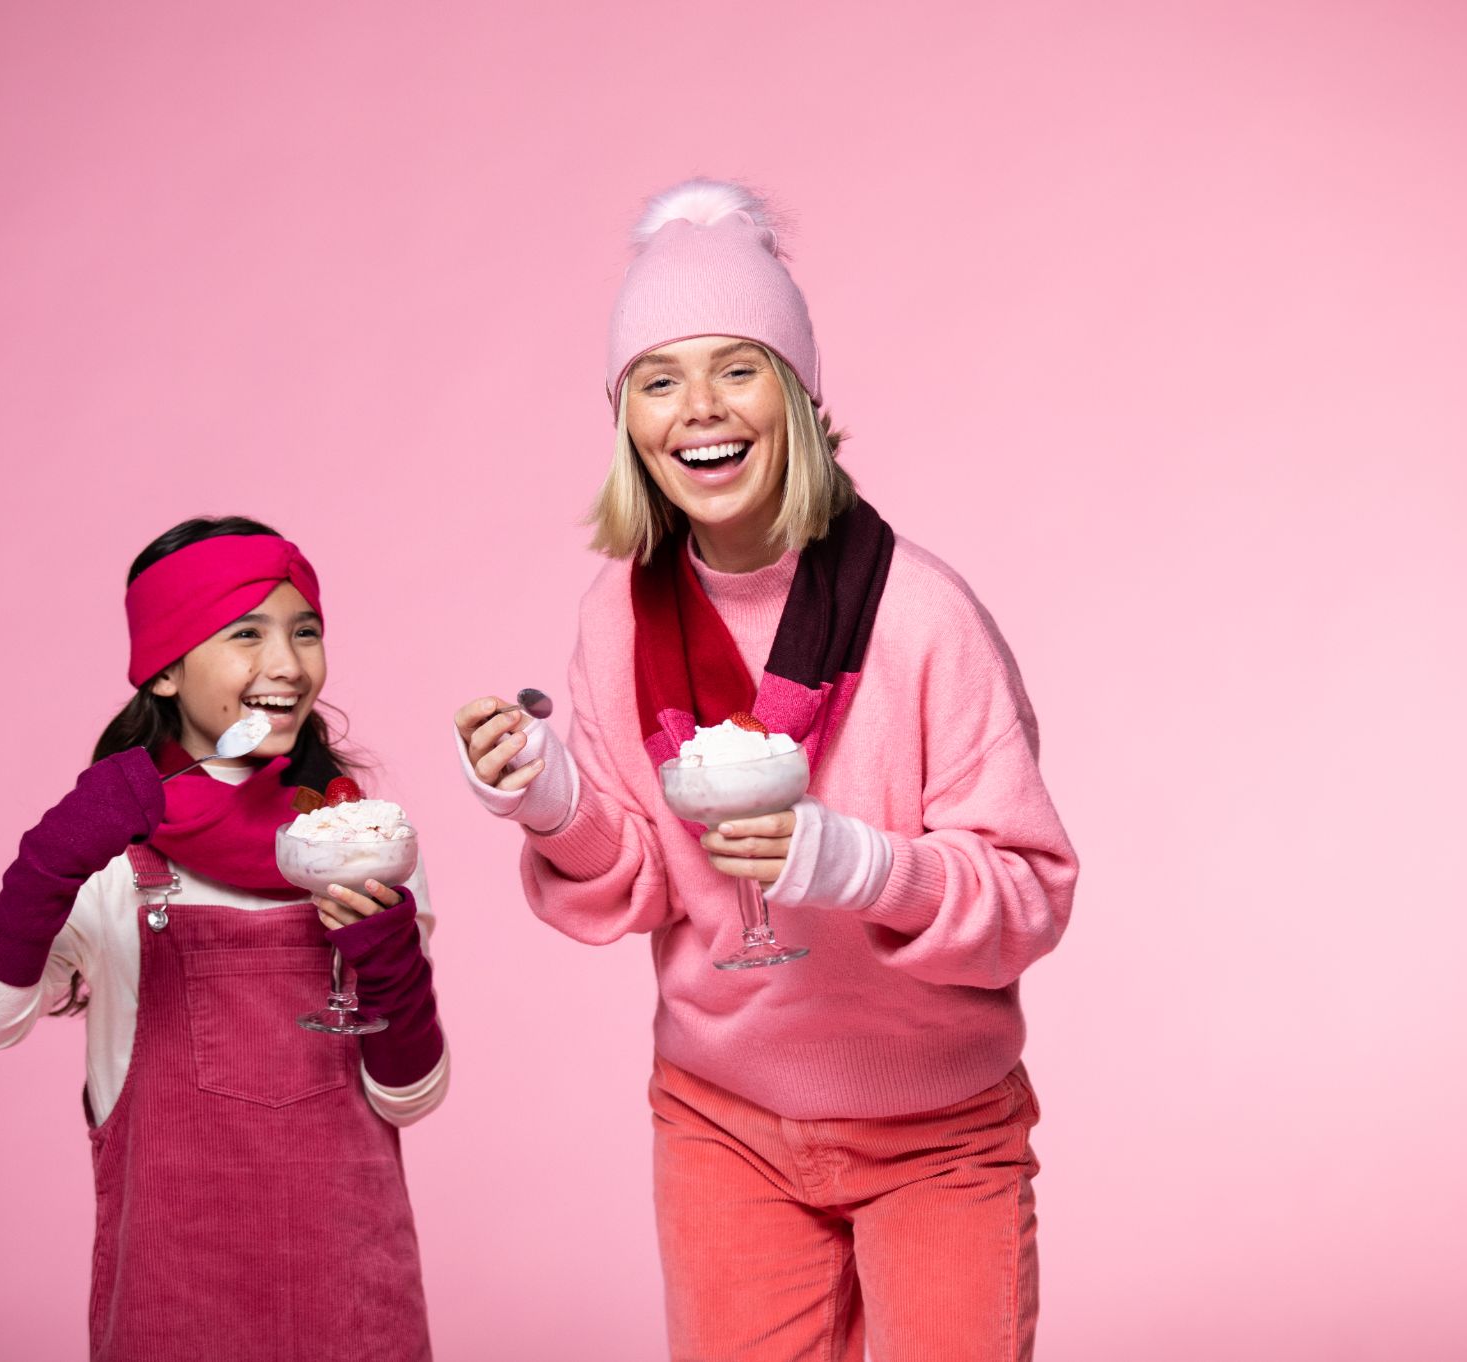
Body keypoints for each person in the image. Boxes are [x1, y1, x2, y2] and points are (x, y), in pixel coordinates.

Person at [456, 181, 1078, 1362]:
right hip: (720, 1123)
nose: (699, 408)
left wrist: (854, 864)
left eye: (736, 367)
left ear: (794, 394)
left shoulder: (920, 614)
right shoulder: (615, 618)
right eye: (656, 378)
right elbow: (636, 879)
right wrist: (546, 796)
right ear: (625, 418)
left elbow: (1028, 896)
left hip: (935, 1129)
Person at [0, 516, 442, 1362]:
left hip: (353, 1308)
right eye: (246, 634)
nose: (288, 665)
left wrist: (392, 966)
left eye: (305, 631)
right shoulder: (114, 856)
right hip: (174, 1312)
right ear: (169, 669)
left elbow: (410, 1099)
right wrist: (50, 859)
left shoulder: (363, 839)